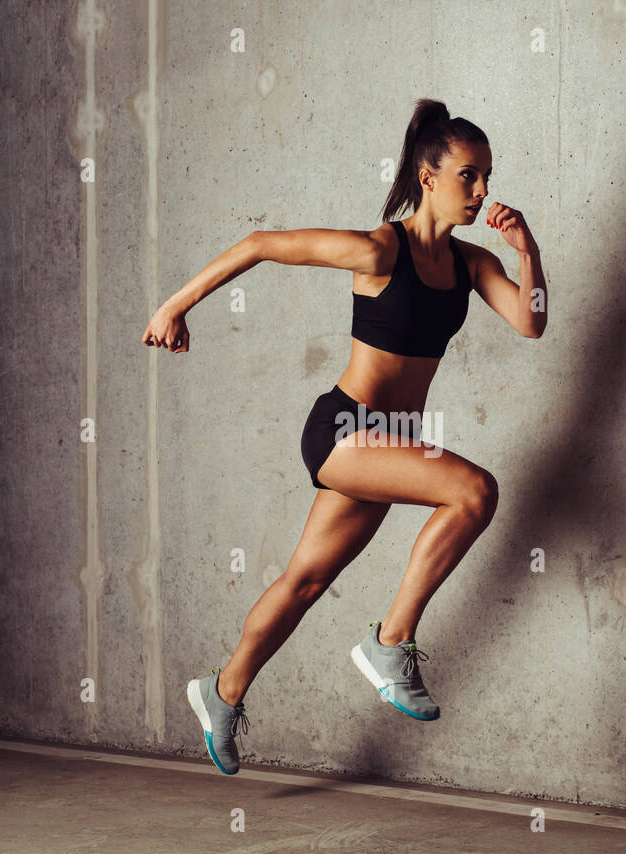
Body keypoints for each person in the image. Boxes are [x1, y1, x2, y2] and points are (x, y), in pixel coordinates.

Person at [142, 98, 548, 774]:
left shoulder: (474, 265)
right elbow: (262, 245)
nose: (481, 192)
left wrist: (526, 247)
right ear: (428, 175)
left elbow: (530, 322)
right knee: (474, 492)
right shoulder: (377, 249)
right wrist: (174, 306)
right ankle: (391, 642)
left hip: (389, 447)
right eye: (468, 176)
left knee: (306, 579)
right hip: (344, 430)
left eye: (486, 178)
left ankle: (221, 692)